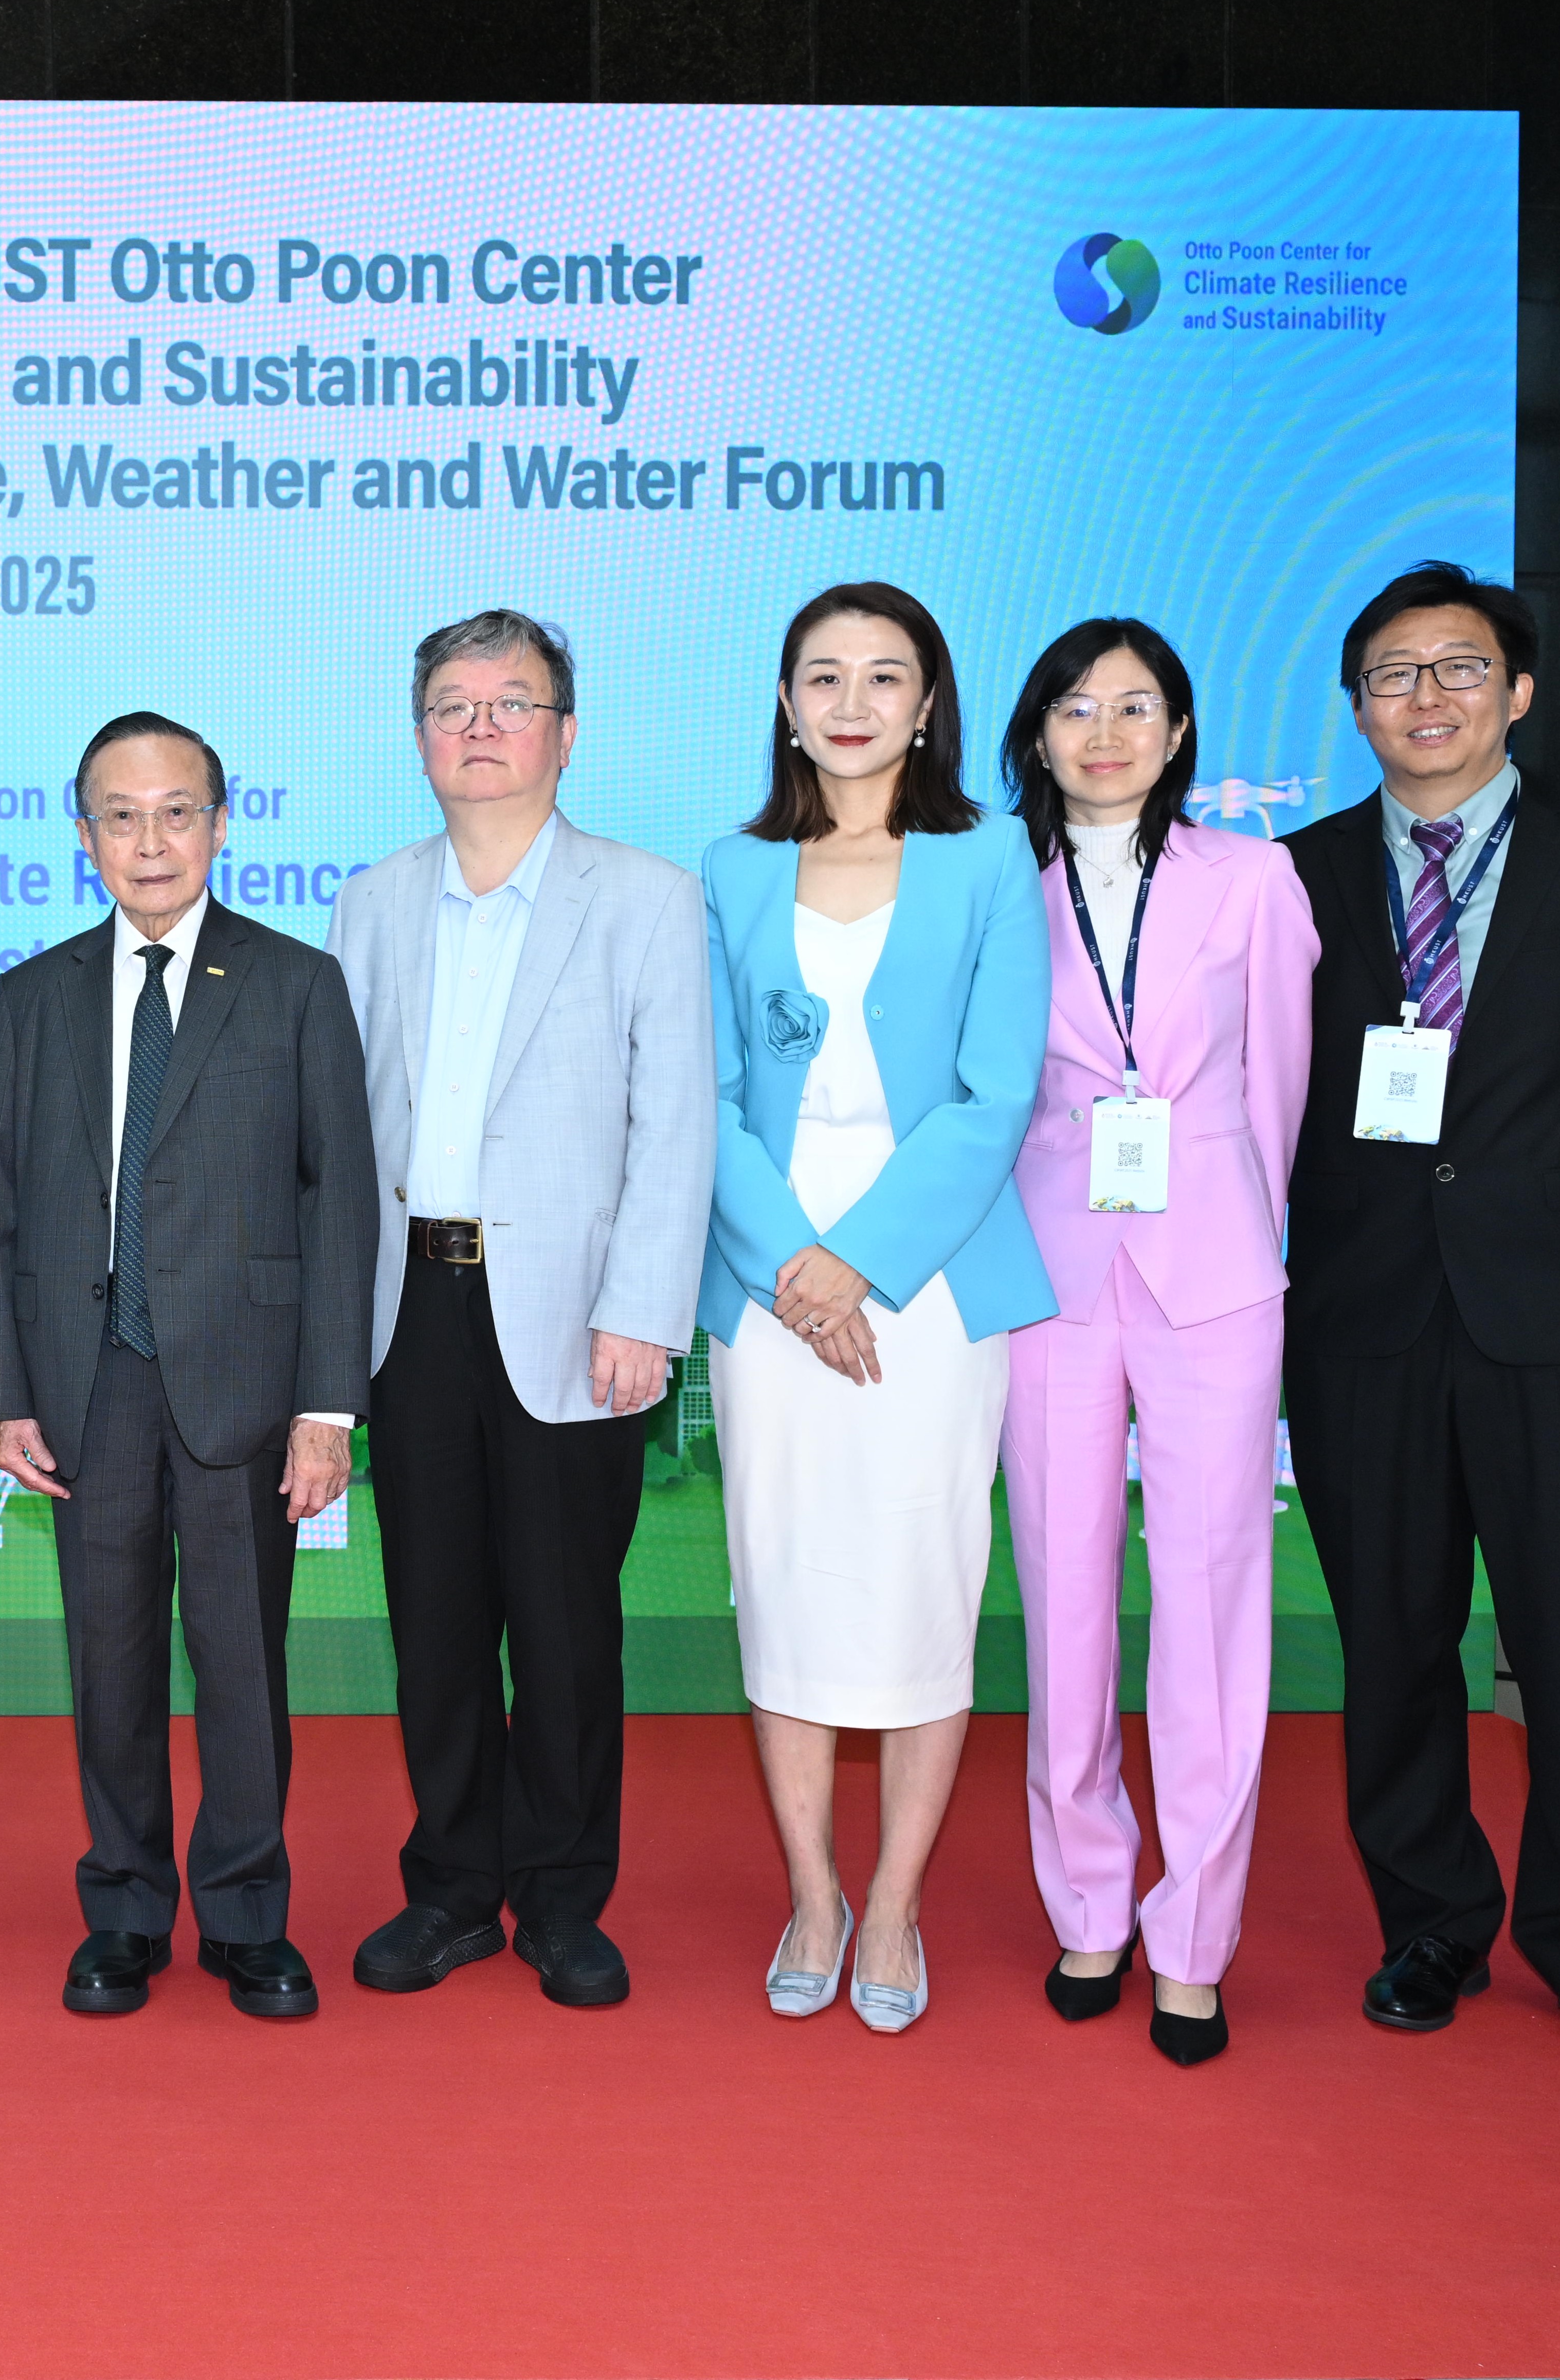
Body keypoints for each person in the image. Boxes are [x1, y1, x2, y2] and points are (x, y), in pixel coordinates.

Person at [1278, 562, 1560, 2065]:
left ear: (1519, 692)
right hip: (1368, 1321)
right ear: (1357, 708)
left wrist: (1540, 1193)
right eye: (1394, 674)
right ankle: (1431, 1922)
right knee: (1396, 1641)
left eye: (1459, 668)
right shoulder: (1301, 874)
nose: (1427, 697)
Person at [324, 611, 714, 2011]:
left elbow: (674, 1129)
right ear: (417, 733)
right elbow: (338, 1126)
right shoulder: (371, 900)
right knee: (432, 1617)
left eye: (511, 700)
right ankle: (449, 1887)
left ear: (565, 728)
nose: (479, 725)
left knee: (560, 1624)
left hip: (570, 1315)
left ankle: (558, 1894)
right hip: (407, 1306)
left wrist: (643, 1313)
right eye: (450, 702)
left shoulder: (647, 898)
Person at [0, 712, 378, 2021]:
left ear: (221, 820)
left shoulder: (296, 981)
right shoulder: (30, 997)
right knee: (110, 1662)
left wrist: (328, 1406)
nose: (151, 841)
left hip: (246, 1385)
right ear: (82, 831)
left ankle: (251, 1914)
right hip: (87, 1376)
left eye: (177, 811)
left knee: (243, 1659)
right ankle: (126, 1909)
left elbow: (339, 1206)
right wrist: (8, 1389)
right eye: (121, 814)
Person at [702, 581, 1052, 2034]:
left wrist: (860, 1262)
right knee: (781, 1582)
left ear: (927, 706)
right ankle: (812, 1889)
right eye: (822, 675)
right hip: (763, 1280)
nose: (851, 700)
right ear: (786, 703)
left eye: (884, 675)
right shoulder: (726, 868)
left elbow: (996, 1094)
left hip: (933, 1276)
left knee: (918, 1587)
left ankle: (896, 1900)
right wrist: (792, 1263)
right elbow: (703, 1099)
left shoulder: (987, 863)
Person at [991, 620, 1316, 2066]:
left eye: (1136, 707)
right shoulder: (995, 880)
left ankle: (1194, 1934)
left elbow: (1282, 1090)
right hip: (1048, 1269)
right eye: (1076, 706)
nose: (1105, 731)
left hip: (1214, 1274)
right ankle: (1087, 1903)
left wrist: (1244, 1233)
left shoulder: (1252, 877)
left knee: (1208, 1606)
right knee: (1062, 1602)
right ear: (1037, 730)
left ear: (1181, 732)